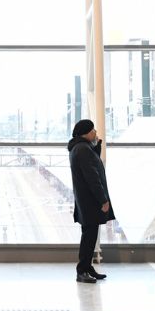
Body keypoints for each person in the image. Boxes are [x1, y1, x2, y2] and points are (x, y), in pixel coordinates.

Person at [67, 119, 112, 284]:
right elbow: (92, 177)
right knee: (89, 236)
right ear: (85, 132)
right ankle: (82, 270)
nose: (95, 133)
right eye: (93, 130)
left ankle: (87, 267)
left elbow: (92, 166)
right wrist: (103, 199)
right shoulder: (83, 150)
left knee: (90, 235)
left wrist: (96, 148)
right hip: (90, 200)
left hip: (85, 199)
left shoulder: (79, 148)